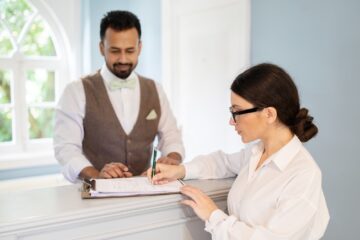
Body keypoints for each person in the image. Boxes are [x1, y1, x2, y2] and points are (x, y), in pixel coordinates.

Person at [148, 63, 330, 240]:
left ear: (269, 114)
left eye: (237, 112)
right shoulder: (257, 152)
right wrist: (179, 170)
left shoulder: (303, 175)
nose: (232, 121)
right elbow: (222, 163)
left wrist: (213, 216)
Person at [54, 10, 184, 183]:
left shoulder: (155, 89)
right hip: (94, 194)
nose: (123, 59)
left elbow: (171, 136)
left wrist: (172, 158)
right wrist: (96, 175)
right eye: (115, 51)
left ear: (140, 47)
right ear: (102, 48)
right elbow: (66, 149)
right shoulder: (76, 91)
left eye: (130, 50)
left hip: (146, 190)